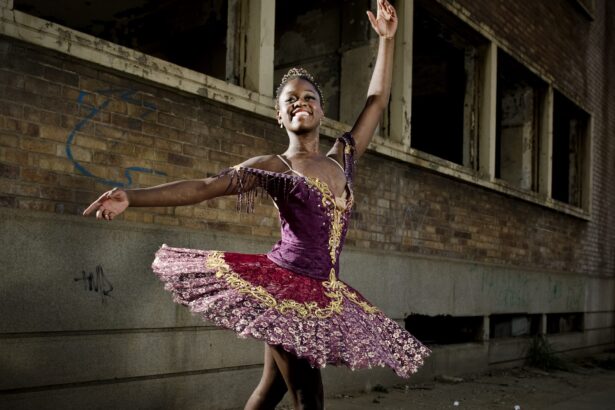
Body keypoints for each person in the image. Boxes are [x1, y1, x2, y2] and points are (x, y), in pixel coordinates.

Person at [84, 1, 429, 408]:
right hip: (285, 288)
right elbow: (204, 186)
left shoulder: (343, 157)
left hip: (324, 289)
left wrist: (387, 41)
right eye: (289, 101)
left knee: (273, 389)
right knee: (308, 395)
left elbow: (376, 100)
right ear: (279, 117)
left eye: (308, 97)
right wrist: (133, 197)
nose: (299, 102)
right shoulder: (273, 166)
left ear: (321, 108)